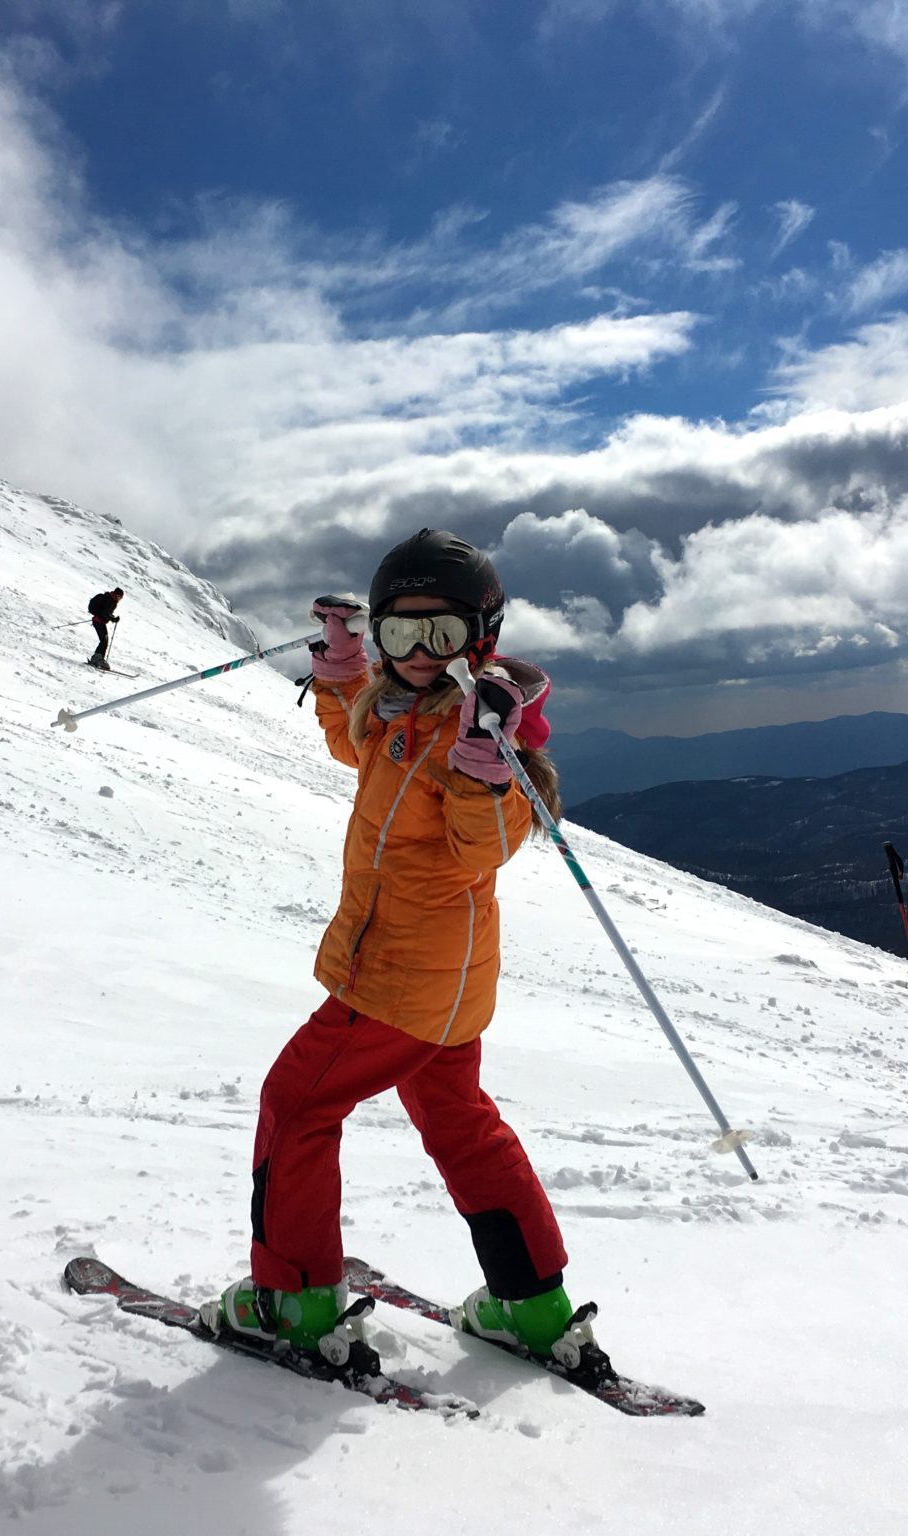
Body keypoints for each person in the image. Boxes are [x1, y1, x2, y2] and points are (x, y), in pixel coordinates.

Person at [202, 529, 583, 1367]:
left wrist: (488, 776)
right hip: (446, 987)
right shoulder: (405, 711)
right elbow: (359, 748)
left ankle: (293, 1304)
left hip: (399, 982)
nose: (417, 654)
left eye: (439, 635)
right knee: (460, 1125)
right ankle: (532, 1307)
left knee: (297, 1107)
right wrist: (340, 681)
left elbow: (484, 847)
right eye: (397, 635)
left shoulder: (479, 729)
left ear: (480, 636)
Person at [86, 587, 123, 670]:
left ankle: (99, 659)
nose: (121, 599)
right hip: (98, 622)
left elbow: (105, 612)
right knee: (104, 641)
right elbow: (105, 613)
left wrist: (111, 617)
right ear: (118, 595)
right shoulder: (111, 600)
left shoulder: (110, 598)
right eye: (121, 597)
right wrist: (113, 619)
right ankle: (97, 660)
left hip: (99, 622)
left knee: (104, 641)